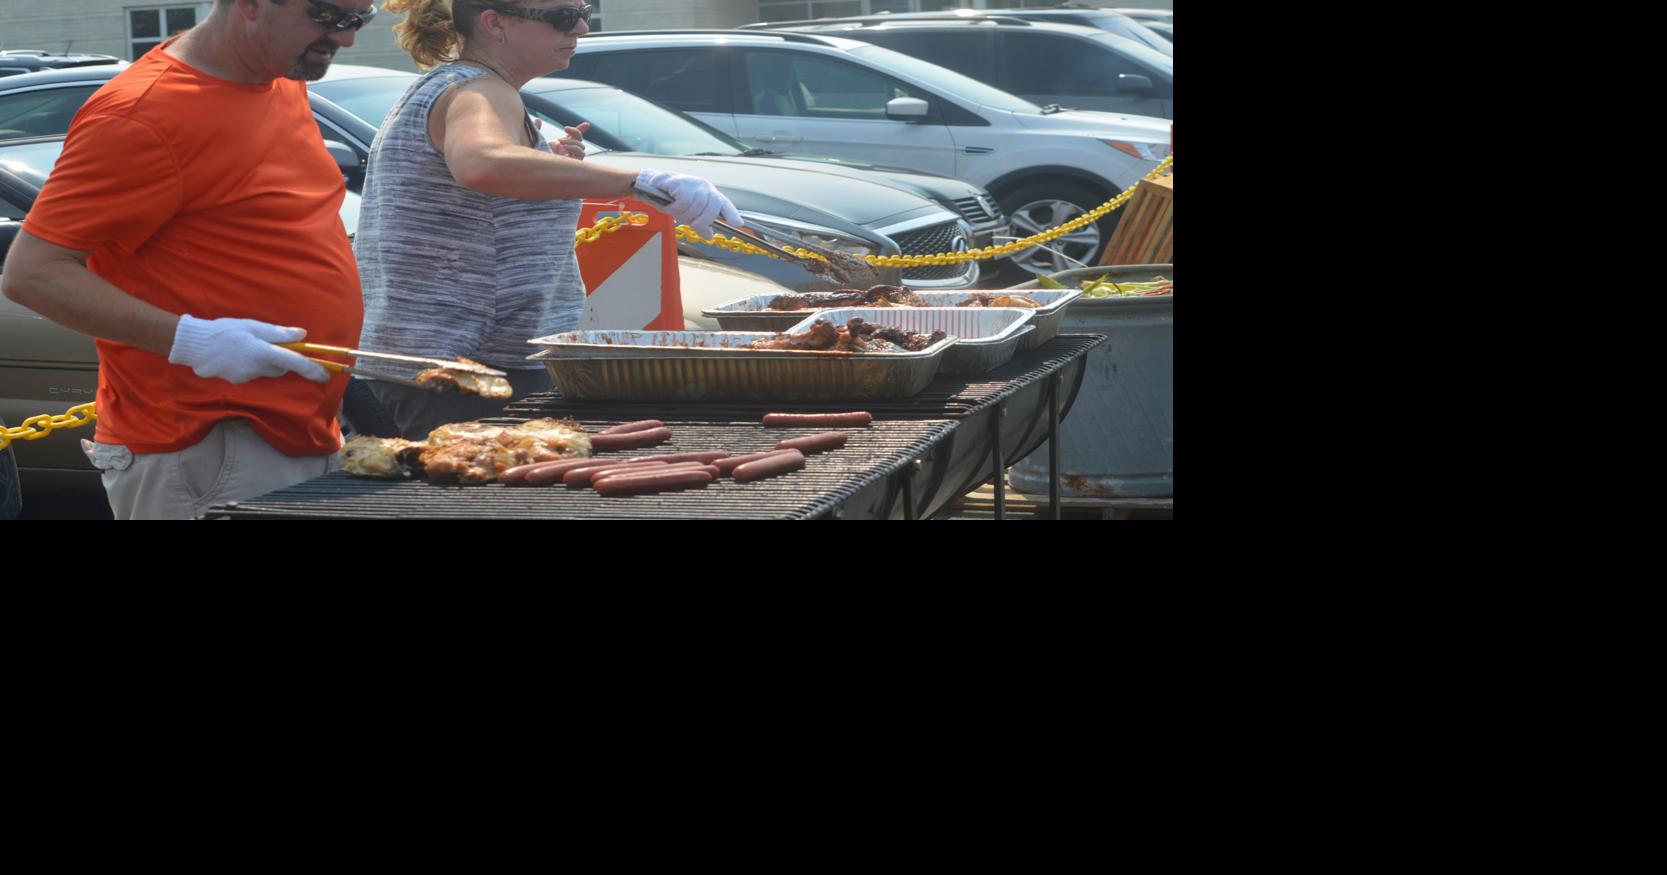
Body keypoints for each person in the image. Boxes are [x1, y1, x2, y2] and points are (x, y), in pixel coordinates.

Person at [0, 0, 374, 520]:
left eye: (361, 20)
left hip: (299, 430)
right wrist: (194, 341)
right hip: (208, 450)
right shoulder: (142, 113)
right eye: (331, 17)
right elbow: (32, 273)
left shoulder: (280, 77)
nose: (347, 38)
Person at [357, 0, 741, 439]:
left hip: (451, 361)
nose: (580, 26)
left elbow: (482, 183)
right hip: (471, 366)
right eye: (562, 15)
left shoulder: (458, 86)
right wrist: (638, 181)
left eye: (582, 10)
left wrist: (548, 162)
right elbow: (482, 163)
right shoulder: (478, 89)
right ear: (495, 22)